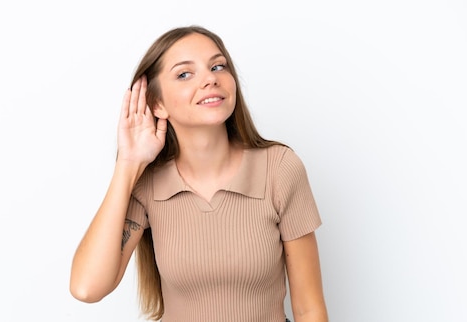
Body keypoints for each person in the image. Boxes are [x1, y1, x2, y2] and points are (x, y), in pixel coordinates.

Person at [70, 25, 329, 322]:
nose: (210, 79)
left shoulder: (280, 168)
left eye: (218, 66)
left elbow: (310, 309)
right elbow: (86, 287)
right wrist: (128, 165)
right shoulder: (147, 184)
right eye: (184, 74)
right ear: (157, 104)